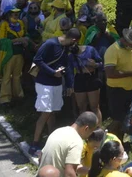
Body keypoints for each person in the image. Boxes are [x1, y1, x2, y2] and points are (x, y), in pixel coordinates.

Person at [30, 28, 82, 156]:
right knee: (45, 113)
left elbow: (67, 66)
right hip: (44, 83)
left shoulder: (66, 49)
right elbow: (37, 59)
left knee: (52, 112)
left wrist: (70, 84)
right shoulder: (50, 43)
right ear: (73, 39)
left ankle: (49, 142)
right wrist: (52, 72)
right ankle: (34, 144)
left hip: (57, 84)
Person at [104, 28, 132, 141]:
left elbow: (130, 65)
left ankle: (119, 141)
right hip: (117, 90)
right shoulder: (113, 50)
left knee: (125, 117)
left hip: (130, 89)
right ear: (125, 40)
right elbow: (110, 73)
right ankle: (107, 139)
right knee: (118, 119)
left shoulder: (131, 50)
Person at [36, 112, 98, 177]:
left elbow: (41, 157)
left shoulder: (58, 131)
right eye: (91, 132)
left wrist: (92, 170)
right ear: (86, 128)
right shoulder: (76, 141)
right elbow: (69, 174)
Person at [0, 7, 30, 106]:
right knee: (6, 76)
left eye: (17, 13)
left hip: (19, 54)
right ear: (8, 14)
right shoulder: (4, 24)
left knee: (17, 76)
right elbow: (1, 41)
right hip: (9, 55)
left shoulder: (20, 23)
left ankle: (18, 95)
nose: (16, 14)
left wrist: (25, 39)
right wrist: (16, 41)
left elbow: (26, 34)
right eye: (14, 13)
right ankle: (5, 99)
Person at [70, 33, 103, 125]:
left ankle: (98, 128)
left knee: (94, 106)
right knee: (81, 107)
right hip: (79, 78)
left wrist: (95, 65)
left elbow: (101, 63)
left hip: (91, 77)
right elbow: (69, 71)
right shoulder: (70, 56)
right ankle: (84, 128)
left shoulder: (90, 50)